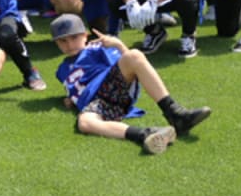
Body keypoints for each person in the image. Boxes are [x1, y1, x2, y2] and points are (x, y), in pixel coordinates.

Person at [50, 14, 211, 155]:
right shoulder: (61, 70)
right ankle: (146, 134)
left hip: (111, 87)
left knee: (134, 55)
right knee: (84, 123)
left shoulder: (97, 48)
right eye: (62, 41)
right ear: (56, 43)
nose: (69, 44)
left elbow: (130, 64)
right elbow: (76, 85)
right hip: (95, 103)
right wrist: (72, 98)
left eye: (74, 38)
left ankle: (175, 113)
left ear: (85, 35)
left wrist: (118, 45)